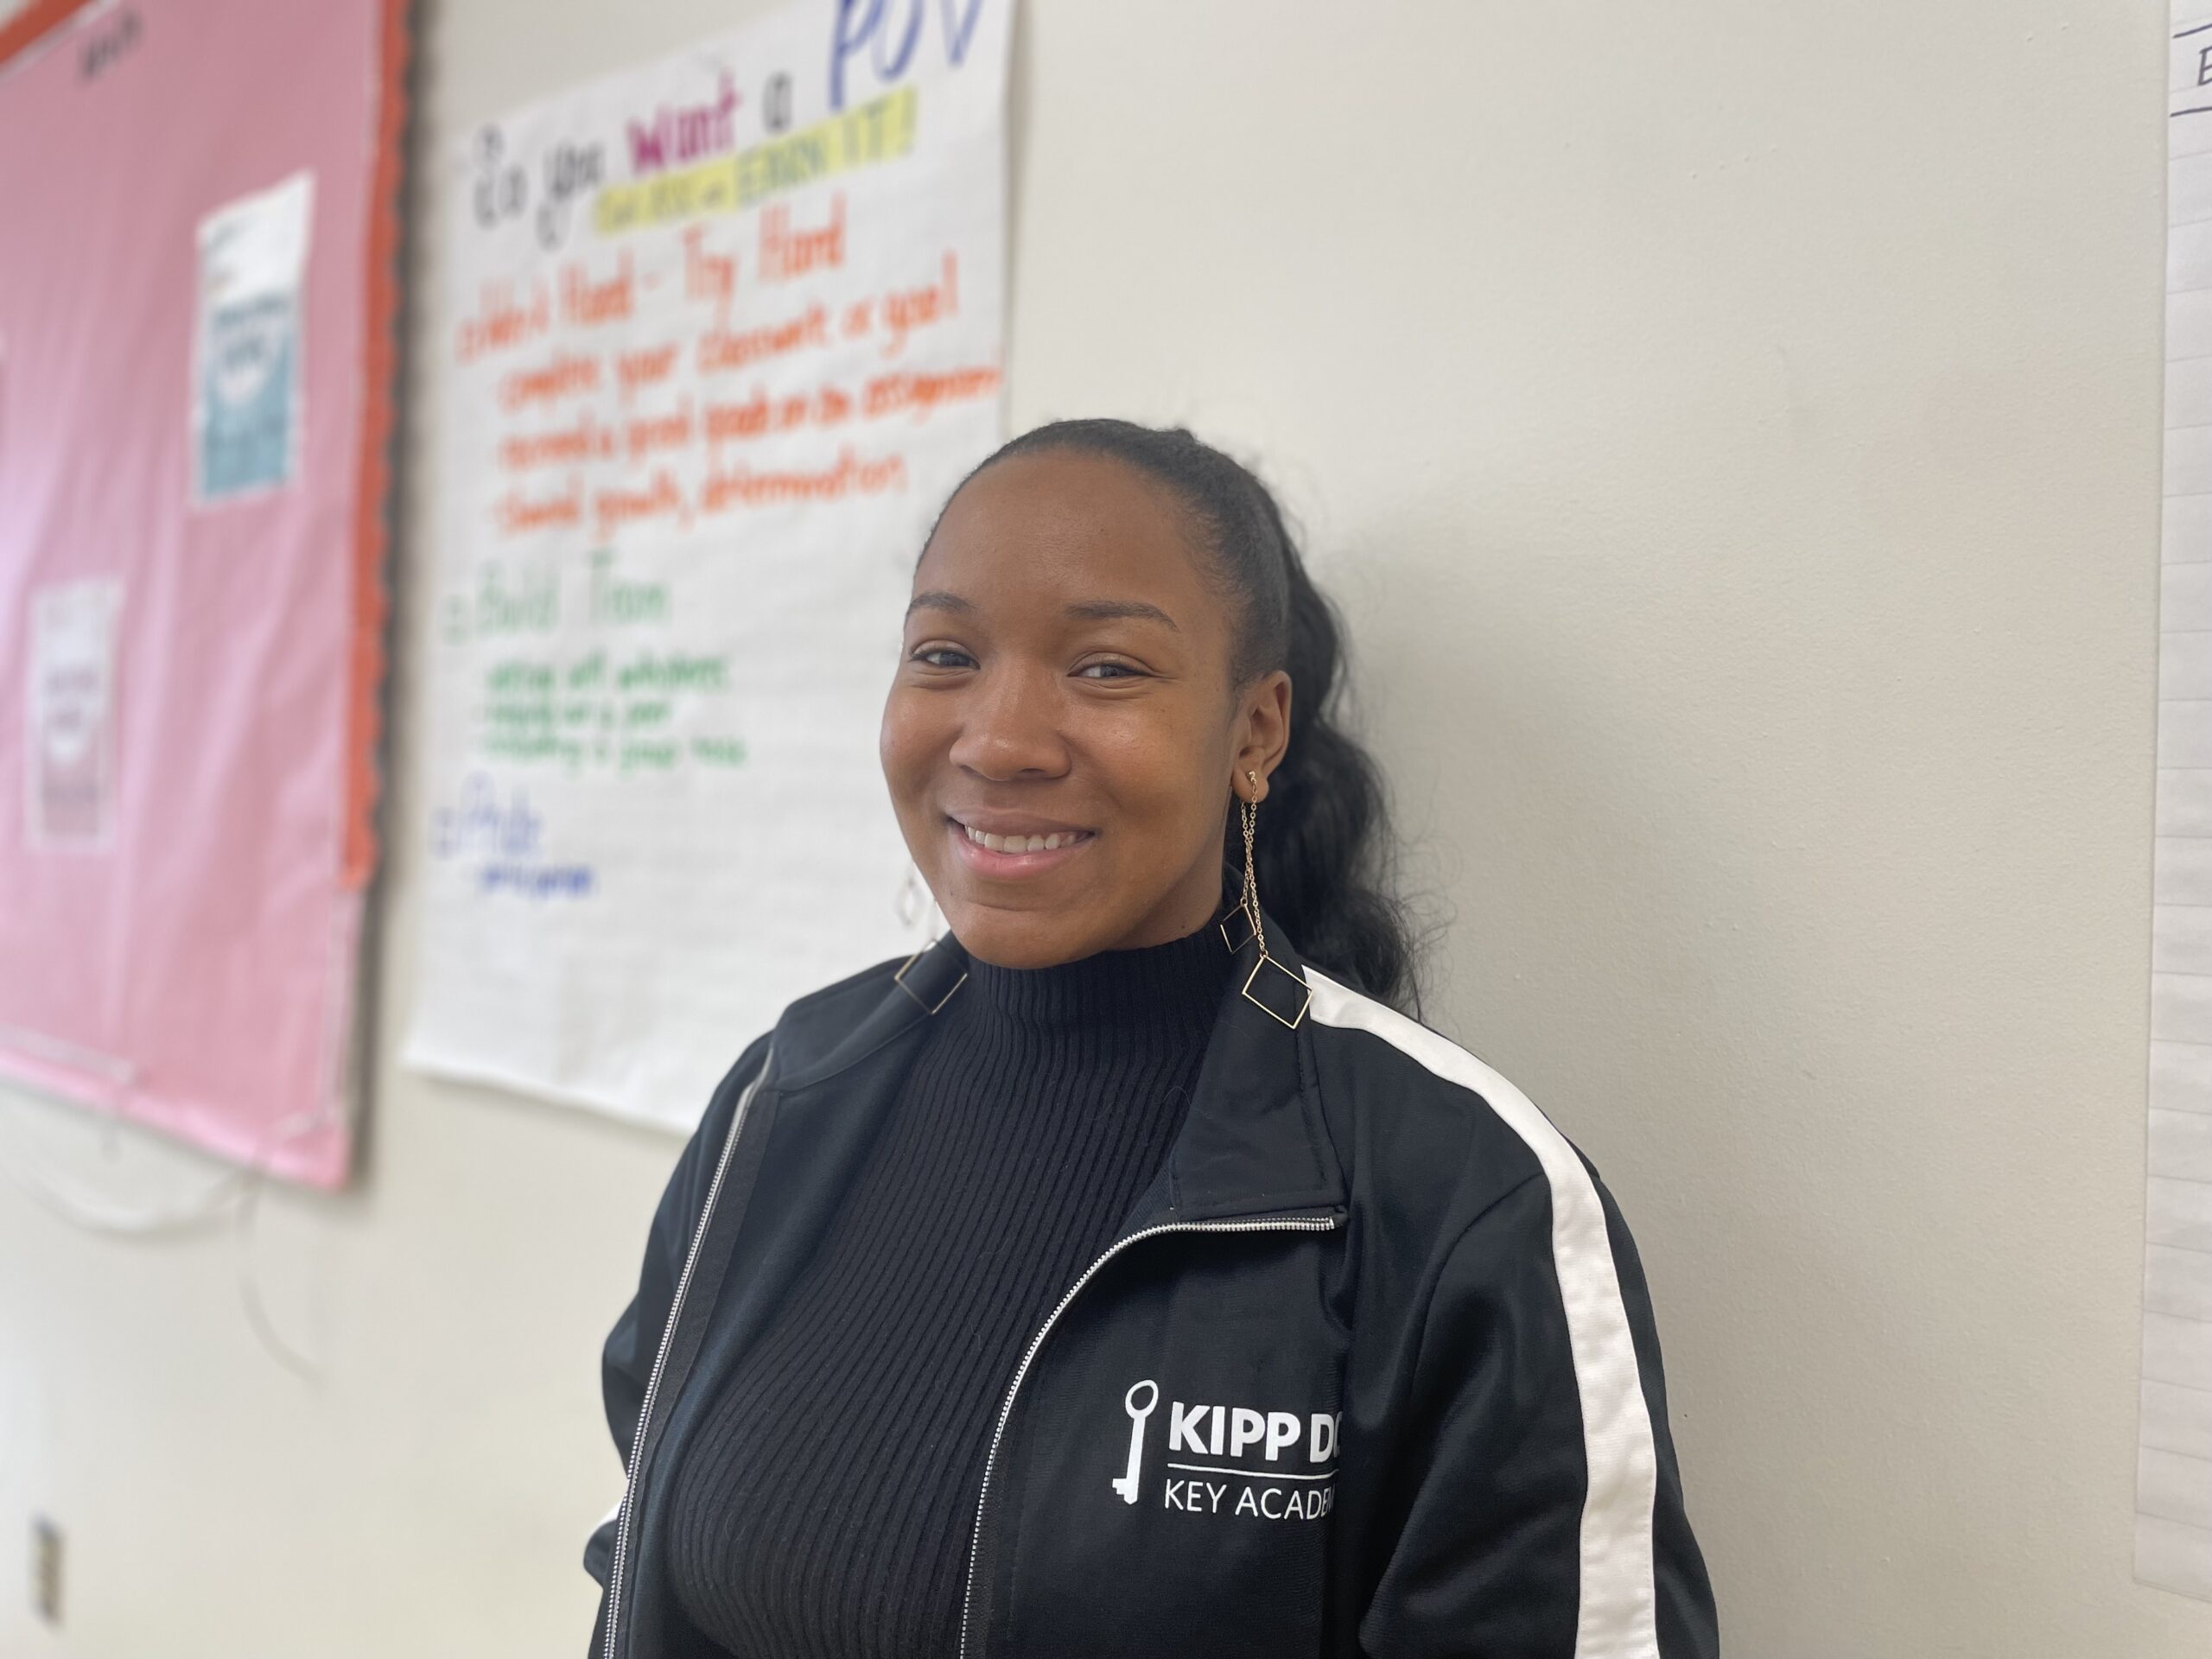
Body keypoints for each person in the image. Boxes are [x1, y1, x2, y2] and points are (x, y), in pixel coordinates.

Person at [583, 419, 1719, 1659]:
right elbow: (643, 1558)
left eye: (1107, 669)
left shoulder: (1462, 1197)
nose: (1000, 739)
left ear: (1255, 733)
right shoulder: (788, 1097)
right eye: (947, 654)